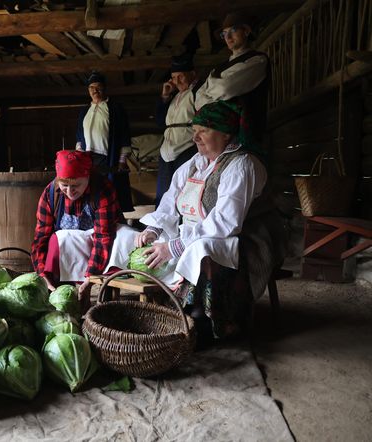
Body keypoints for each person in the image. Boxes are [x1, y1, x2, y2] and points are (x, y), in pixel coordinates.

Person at [134, 100, 285, 343]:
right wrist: (154, 229)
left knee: (200, 248)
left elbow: (226, 222)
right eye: (194, 132)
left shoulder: (243, 165)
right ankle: (175, 308)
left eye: (203, 131)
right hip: (200, 232)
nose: (196, 138)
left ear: (226, 133)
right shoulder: (193, 165)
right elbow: (170, 202)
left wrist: (175, 246)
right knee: (159, 242)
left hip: (245, 238)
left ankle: (208, 318)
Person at [31, 150, 138, 310]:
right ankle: (59, 297)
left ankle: (97, 296)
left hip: (101, 243)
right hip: (70, 244)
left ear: (87, 176)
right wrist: (42, 274)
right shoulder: (51, 194)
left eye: (76, 185)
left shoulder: (103, 190)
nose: (69, 191)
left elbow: (104, 237)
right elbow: (41, 237)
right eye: (64, 185)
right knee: (58, 239)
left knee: (126, 236)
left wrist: (91, 277)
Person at [195, 12, 270, 156]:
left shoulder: (257, 60)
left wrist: (211, 91)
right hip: (218, 135)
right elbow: (198, 99)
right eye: (224, 34)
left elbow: (225, 88)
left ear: (246, 31)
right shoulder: (218, 69)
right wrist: (216, 89)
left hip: (244, 131)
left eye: (233, 31)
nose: (228, 37)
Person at [75, 71, 134, 212]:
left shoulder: (115, 109)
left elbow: (124, 136)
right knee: (91, 193)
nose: (95, 90)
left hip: (109, 158)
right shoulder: (85, 111)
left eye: (98, 87)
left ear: (104, 88)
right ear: (88, 90)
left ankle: (113, 221)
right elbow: (79, 137)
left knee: (111, 193)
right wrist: (79, 158)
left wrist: (121, 160)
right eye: (92, 88)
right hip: (88, 158)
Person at [155, 54, 200, 206]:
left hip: (187, 147)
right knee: (164, 193)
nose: (177, 81)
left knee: (184, 192)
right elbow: (160, 122)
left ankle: (183, 227)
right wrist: (165, 95)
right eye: (174, 77)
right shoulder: (174, 98)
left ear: (192, 74)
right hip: (166, 151)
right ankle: (161, 228)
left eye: (181, 76)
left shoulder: (197, 92)